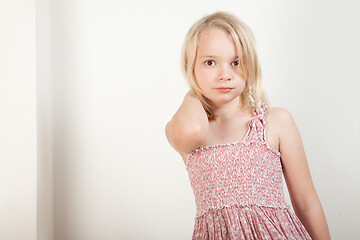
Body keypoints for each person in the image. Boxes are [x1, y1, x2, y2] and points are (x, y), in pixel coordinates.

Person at [165, 11, 331, 240]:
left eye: (236, 62)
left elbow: (306, 203)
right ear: (189, 65)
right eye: (210, 62)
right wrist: (193, 94)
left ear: (250, 65)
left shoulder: (275, 122)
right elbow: (191, 130)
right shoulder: (187, 129)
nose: (225, 74)